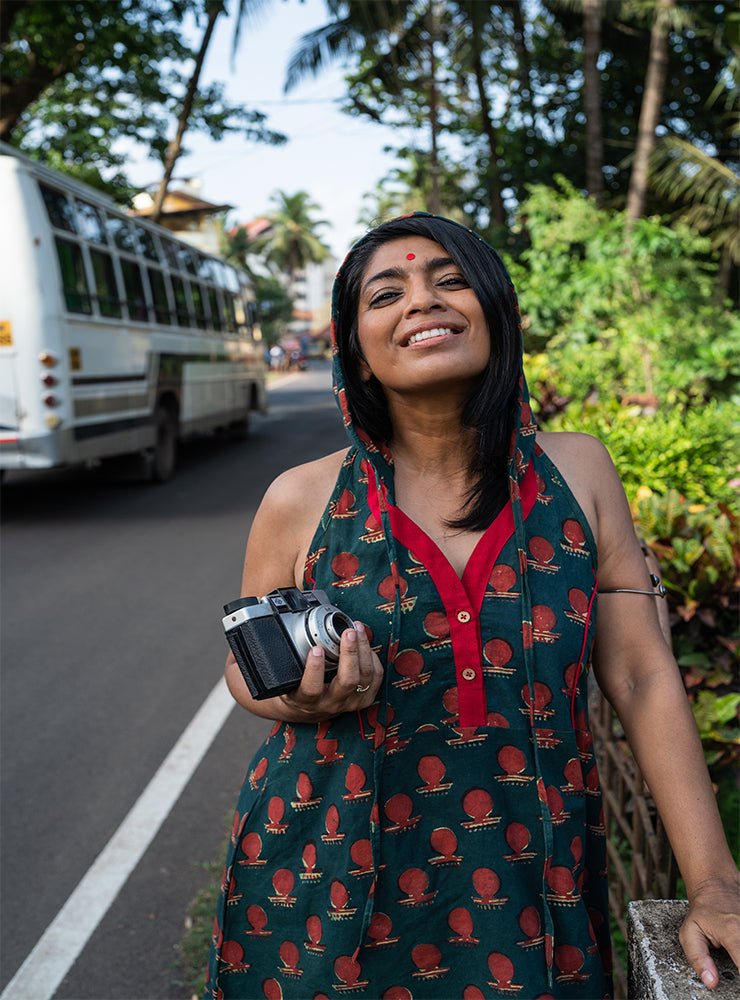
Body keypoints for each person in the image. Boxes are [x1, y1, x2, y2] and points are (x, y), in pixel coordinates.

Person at [205, 213, 739, 999]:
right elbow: (245, 673)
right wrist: (302, 698)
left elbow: (641, 675)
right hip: (326, 885)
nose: (423, 300)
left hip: (530, 885)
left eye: (451, 281)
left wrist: (716, 884)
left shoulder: (579, 473)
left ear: (499, 312)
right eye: (387, 293)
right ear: (355, 348)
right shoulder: (302, 498)